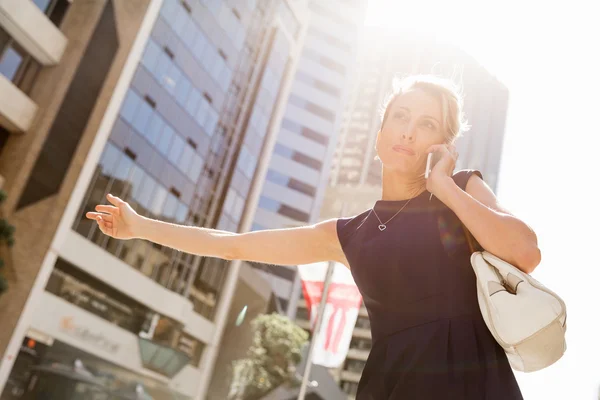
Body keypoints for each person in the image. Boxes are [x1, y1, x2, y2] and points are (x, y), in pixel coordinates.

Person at [86, 74, 540, 399]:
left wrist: (444, 187)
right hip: (393, 382)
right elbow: (236, 244)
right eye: (400, 116)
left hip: (475, 380)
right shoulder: (347, 235)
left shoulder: (462, 190)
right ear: (379, 134)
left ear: (443, 142)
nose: (408, 129)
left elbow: (525, 252)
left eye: (426, 124)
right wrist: (141, 227)